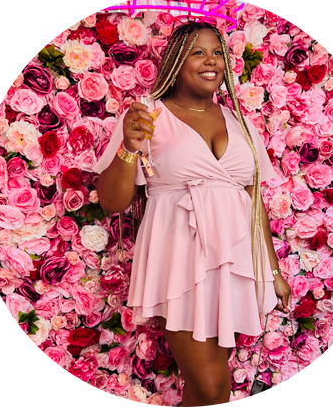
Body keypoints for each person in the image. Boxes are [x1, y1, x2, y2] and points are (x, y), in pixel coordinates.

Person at [93, 21, 292, 407]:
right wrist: (129, 146)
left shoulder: (240, 123)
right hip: (181, 261)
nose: (211, 61)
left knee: (210, 390)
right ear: (175, 61)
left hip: (231, 265)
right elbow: (112, 203)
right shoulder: (148, 115)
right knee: (212, 387)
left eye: (217, 52)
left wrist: (275, 272)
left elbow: (255, 205)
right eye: (198, 52)